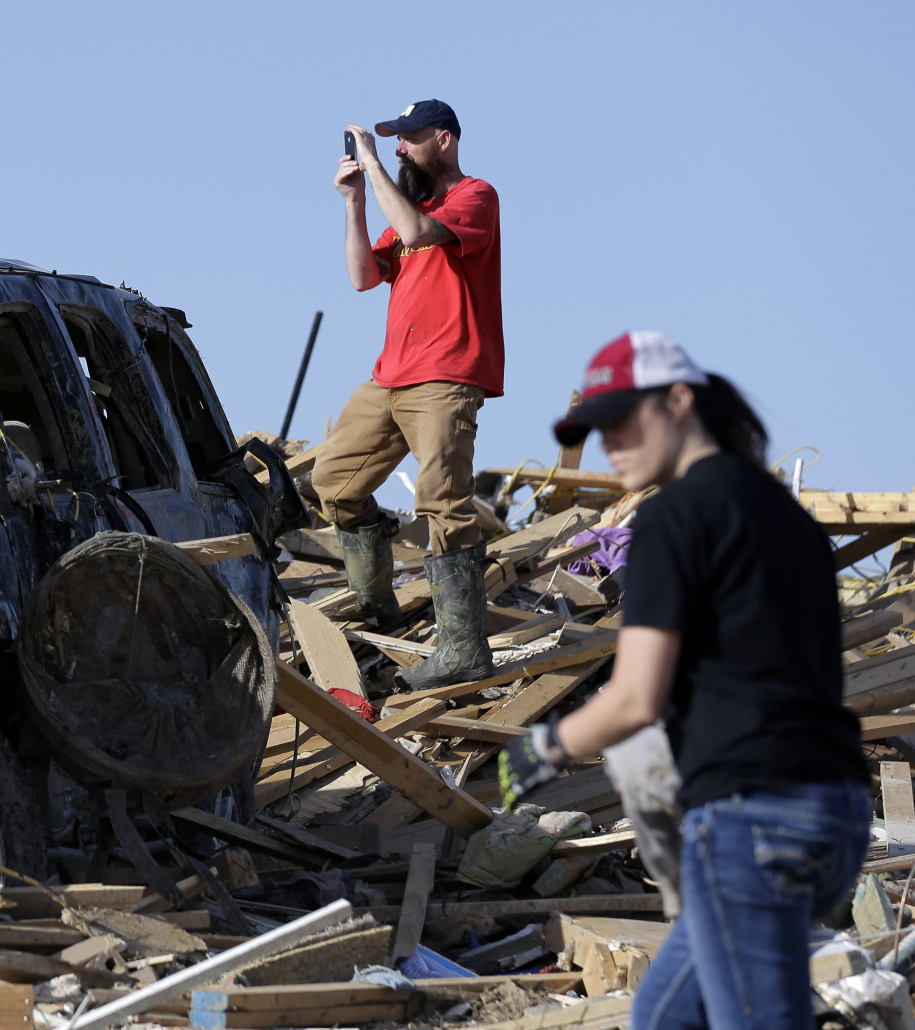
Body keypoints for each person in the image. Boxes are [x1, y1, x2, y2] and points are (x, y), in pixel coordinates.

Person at [498, 331, 870, 1030]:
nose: (609, 443)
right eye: (597, 430)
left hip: (751, 818)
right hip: (834, 809)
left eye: (621, 419)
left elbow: (637, 697)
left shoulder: (674, 516)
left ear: (677, 401)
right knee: (664, 1015)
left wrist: (545, 745)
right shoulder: (787, 518)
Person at [317, 98, 504, 690]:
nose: (398, 147)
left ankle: (464, 650)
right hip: (392, 376)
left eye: (408, 137)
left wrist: (372, 165)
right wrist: (354, 202)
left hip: (445, 376)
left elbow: (420, 234)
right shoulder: (409, 209)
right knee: (335, 481)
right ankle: (376, 607)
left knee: (442, 502)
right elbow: (362, 277)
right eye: (392, 139)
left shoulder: (475, 197)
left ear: (443, 139)